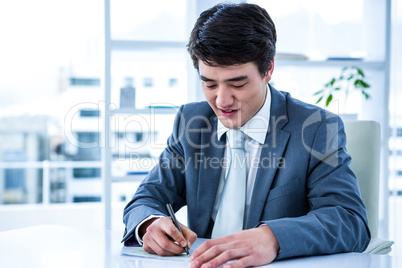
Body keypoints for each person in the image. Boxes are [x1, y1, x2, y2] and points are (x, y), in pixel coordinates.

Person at [122, 2, 371, 267]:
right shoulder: (191, 123)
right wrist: (151, 223)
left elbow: (349, 219)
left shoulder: (316, 128)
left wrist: (273, 238)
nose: (222, 100)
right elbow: (147, 198)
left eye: (237, 83)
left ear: (268, 70)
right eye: (209, 83)